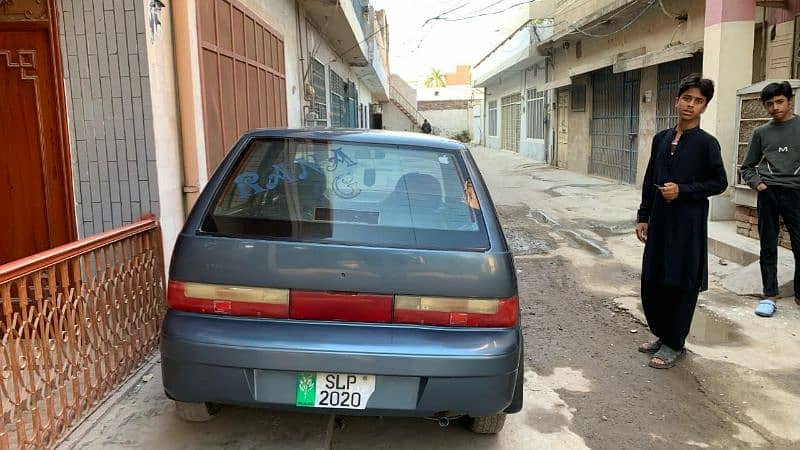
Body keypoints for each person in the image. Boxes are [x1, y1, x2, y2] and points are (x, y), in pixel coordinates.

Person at [635, 74, 728, 369]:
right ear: (677, 100)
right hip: (660, 223)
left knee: (680, 283)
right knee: (654, 280)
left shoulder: (706, 144)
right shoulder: (662, 138)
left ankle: (675, 343)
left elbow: (719, 183)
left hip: (688, 226)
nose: (690, 105)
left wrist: (684, 190)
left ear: (704, 107)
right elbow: (651, 178)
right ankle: (662, 334)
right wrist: (643, 215)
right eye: (687, 98)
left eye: (698, 101)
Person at [740, 81, 800, 317]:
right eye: (770, 104)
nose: (775, 107)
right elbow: (747, 167)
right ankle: (770, 295)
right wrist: (760, 185)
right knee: (768, 245)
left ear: (789, 101)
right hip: (769, 194)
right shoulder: (761, 133)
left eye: (779, 101)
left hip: (796, 193)